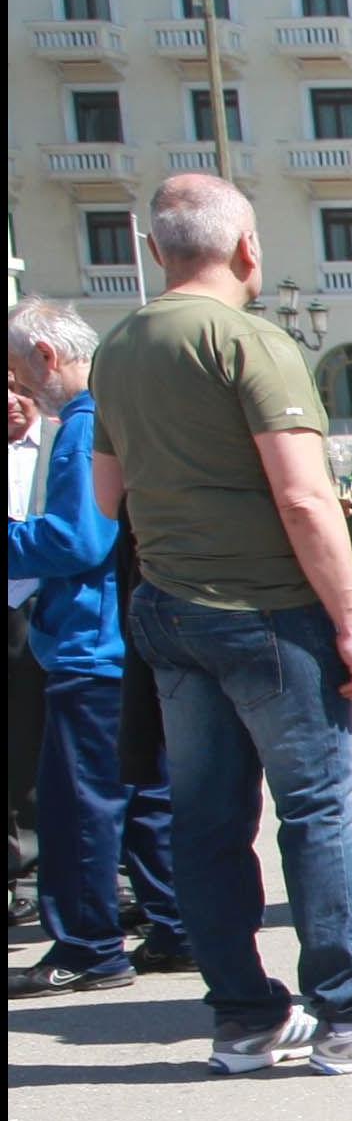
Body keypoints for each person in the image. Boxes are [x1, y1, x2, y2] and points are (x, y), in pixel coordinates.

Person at [86, 174, 352, 1074]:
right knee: (317, 810)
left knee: (207, 818)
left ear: (155, 252)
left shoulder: (119, 345)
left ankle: (245, 1018)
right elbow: (304, 497)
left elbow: (107, 497)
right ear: (248, 249)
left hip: (168, 606)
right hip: (264, 607)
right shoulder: (248, 340)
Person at [7, 299, 186, 996]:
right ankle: (174, 927)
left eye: (19, 369)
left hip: (89, 641)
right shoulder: (119, 410)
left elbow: (80, 537)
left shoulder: (83, 425)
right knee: (147, 795)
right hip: (131, 636)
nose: (19, 386)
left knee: (79, 803)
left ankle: (86, 946)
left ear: (48, 356)